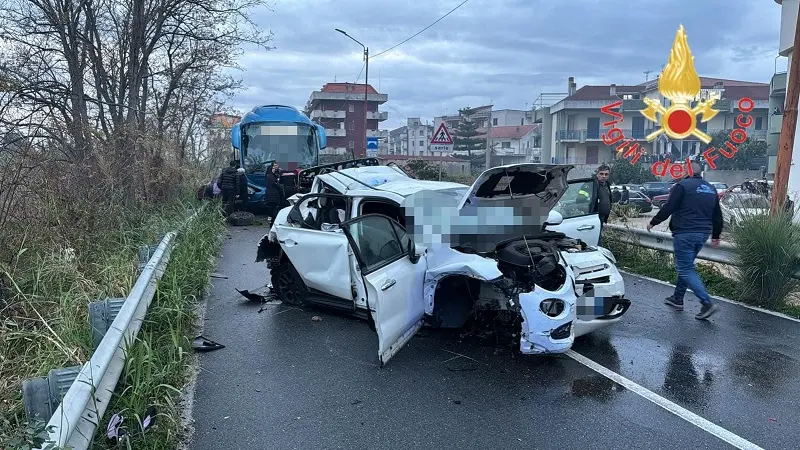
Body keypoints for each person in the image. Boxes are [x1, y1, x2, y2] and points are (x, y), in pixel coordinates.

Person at [646, 160, 722, 320]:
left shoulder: (682, 186)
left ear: (688, 172)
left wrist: (654, 221)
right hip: (702, 234)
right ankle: (677, 299)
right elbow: (717, 214)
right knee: (686, 266)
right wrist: (716, 235)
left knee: (686, 269)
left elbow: (669, 207)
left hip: (685, 233)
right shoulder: (710, 188)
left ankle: (706, 303)